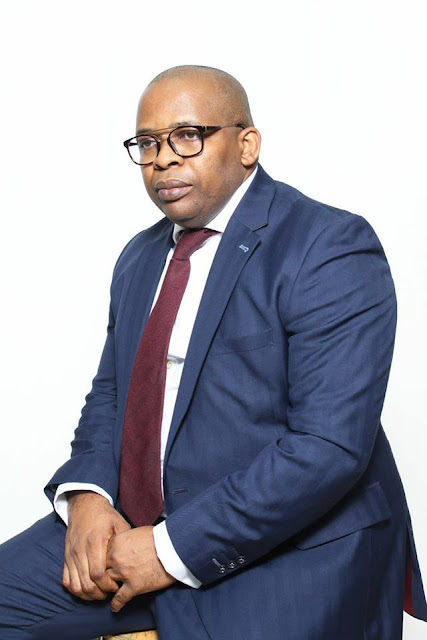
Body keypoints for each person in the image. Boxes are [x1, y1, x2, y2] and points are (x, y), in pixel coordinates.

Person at [1, 64, 426, 640]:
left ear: (247, 144)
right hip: (132, 529)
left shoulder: (328, 245)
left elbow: (327, 447)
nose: (162, 159)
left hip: (287, 549)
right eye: (147, 143)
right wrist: (87, 497)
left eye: (187, 136)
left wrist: (167, 550)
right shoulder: (139, 258)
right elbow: (111, 395)